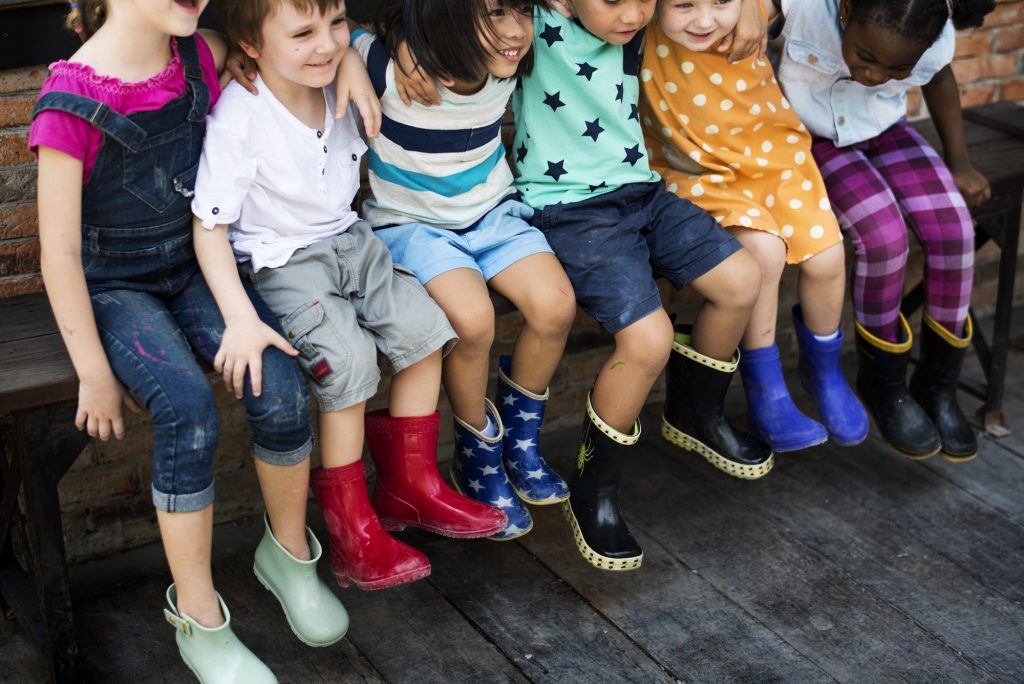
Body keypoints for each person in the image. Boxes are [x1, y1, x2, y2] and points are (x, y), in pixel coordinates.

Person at [30, 1, 344, 681]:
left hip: (197, 266)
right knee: (187, 409)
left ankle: (288, 557)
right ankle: (199, 617)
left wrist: (355, 74)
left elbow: (287, 53)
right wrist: (93, 370)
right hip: (116, 290)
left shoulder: (200, 51)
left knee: (279, 384)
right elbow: (58, 254)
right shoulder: (68, 104)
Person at [193, 0, 508, 603]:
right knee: (349, 363)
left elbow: (345, 49)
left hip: (351, 239)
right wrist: (238, 316)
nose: (327, 43)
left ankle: (411, 486)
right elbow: (209, 227)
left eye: (335, 23)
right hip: (283, 261)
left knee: (425, 332)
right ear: (252, 46)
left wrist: (350, 61)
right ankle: (352, 530)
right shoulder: (242, 114)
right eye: (304, 32)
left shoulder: (335, 74)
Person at [508, 0, 768, 570]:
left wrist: (752, 5)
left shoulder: (642, 21)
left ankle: (695, 413)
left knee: (742, 278)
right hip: (571, 211)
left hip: (642, 194)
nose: (631, 14)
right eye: (612, 1)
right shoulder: (536, 22)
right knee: (648, 340)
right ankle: (594, 490)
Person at [354, 0, 579, 540]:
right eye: (495, 14)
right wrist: (369, 59)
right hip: (413, 227)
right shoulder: (388, 66)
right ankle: (477, 455)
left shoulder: (507, 61)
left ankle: (518, 444)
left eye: (522, 11)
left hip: (493, 214)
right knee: (473, 321)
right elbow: (339, 37)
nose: (515, 31)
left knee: (555, 306)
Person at [640, 0, 869, 453]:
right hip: (699, 169)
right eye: (684, 4)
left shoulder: (754, 9)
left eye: (720, 2)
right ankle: (767, 385)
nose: (705, 20)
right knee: (765, 250)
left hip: (775, 156)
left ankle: (823, 372)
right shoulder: (638, 22)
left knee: (827, 255)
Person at [773, 0, 994, 461]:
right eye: (865, 57)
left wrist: (959, 161)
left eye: (896, 69)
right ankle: (883, 382)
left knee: (954, 230)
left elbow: (939, 78)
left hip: (885, 129)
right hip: (813, 139)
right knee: (883, 236)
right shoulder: (805, 8)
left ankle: (937, 384)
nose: (873, 76)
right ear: (847, 9)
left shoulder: (932, 30)